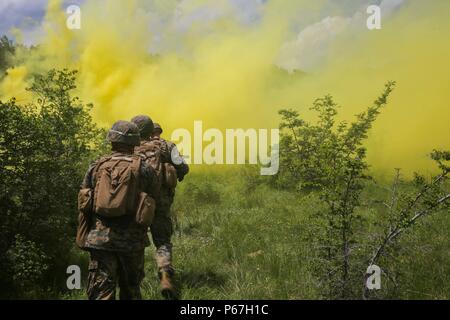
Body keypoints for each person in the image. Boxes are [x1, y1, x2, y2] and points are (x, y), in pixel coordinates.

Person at [77, 120, 158, 300]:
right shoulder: (145, 168)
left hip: (100, 240)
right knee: (131, 289)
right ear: (134, 143)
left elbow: (84, 200)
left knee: (101, 292)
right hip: (132, 241)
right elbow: (152, 201)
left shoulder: (96, 166)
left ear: (112, 141)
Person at [131, 116, 189, 299]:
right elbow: (183, 167)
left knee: (135, 241)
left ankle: (134, 282)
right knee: (162, 241)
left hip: (136, 203)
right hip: (160, 203)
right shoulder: (167, 146)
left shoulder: (128, 147)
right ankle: (165, 276)